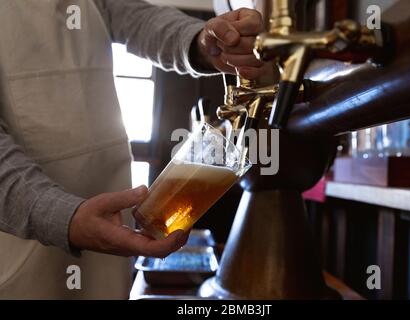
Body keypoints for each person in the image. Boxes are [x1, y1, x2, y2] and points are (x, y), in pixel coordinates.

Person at [0, 0, 265, 299]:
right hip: (22, 245)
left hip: (113, 233)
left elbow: (135, 16)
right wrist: (66, 219)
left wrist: (205, 43)